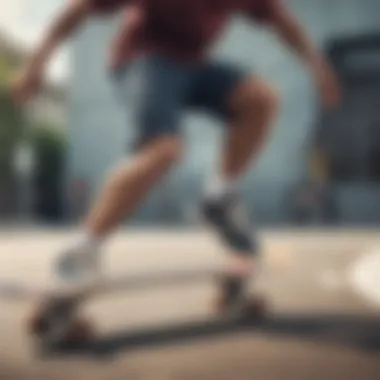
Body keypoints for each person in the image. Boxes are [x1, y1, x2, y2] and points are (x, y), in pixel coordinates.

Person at [13, 0, 340, 313]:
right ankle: (83, 251)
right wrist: (37, 63)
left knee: (261, 99)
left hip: (193, 66)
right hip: (143, 59)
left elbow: (284, 23)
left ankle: (218, 197)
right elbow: (78, 9)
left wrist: (317, 65)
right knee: (163, 150)